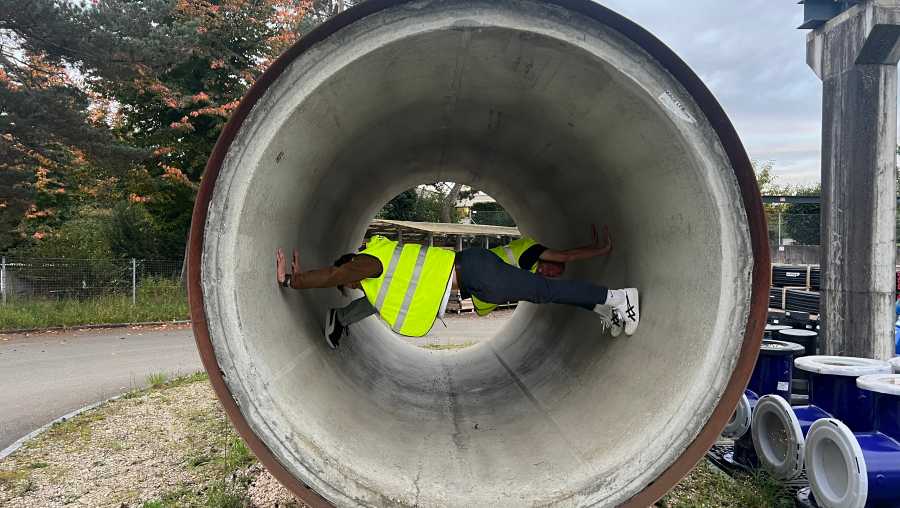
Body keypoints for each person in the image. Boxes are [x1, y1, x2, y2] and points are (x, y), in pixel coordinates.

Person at [275, 225, 639, 349]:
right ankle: (604, 307)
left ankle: (615, 298)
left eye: (348, 282)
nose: (351, 285)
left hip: (478, 273)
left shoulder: (369, 263)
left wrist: (294, 280)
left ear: (349, 266)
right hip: (479, 282)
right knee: (546, 294)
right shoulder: (378, 274)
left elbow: (331, 276)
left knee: (548, 291)